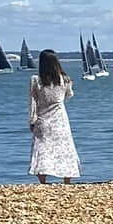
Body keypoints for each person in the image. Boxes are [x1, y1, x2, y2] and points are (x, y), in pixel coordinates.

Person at [27, 49, 79, 184]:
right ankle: (67, 179)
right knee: (65, 147)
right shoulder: (65, 80)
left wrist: (32, 120)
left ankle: (43, 180)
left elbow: (33, 101)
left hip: (43, 117)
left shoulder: (36, 80)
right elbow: (69, 95)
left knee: (43, 147)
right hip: (60, 119)